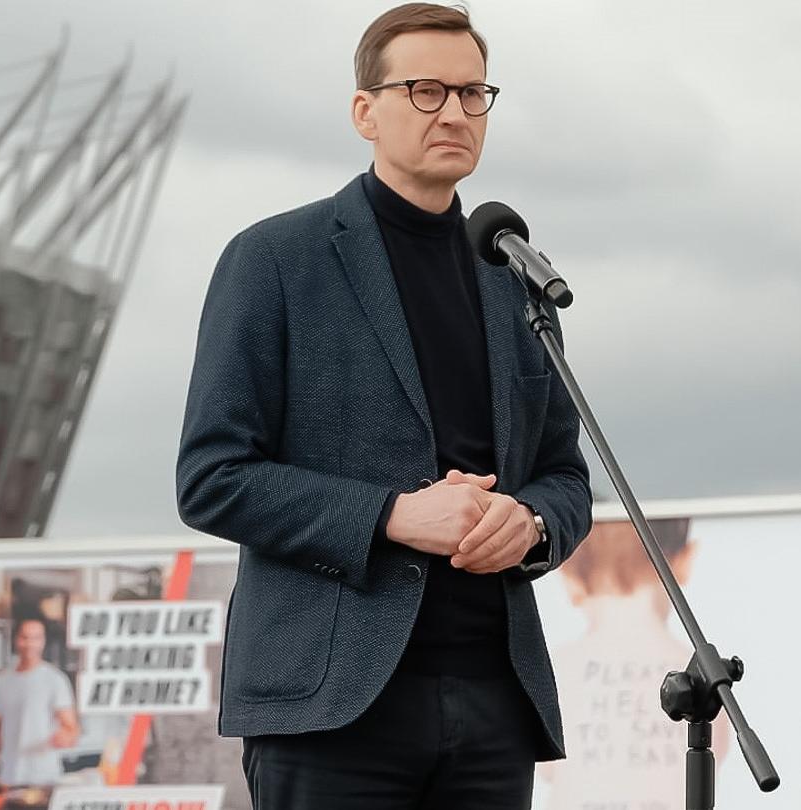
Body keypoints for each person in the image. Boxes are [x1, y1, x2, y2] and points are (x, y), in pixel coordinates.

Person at [175, 4, 591, 808]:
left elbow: (564, 475)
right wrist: (393, 516)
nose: (455, 113)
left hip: (495, 702)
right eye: (426, 90)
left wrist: (532, 524)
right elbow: (212, 476)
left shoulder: (515, 278)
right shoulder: (275, 260)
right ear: (365, 110)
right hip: (334, 709)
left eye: (474, 94)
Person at [541, 518, 730, 810]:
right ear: (685, 562)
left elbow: (545, 766)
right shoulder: (700, 674)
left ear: (569, 580)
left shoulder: (557, 668)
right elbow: (717, 750)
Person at [0, 615, 79, 787]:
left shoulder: (55, 679)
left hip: (44, 779)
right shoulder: (3, 680)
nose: (30, 644)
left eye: (36, 638)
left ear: (43, 641)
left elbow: (71, 727)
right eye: (25, 637)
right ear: (16, 639)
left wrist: (66, 736)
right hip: (9, 778)